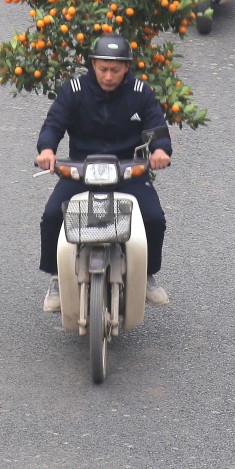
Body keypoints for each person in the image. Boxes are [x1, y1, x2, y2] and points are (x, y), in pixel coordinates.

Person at [35, 34, 172, 312]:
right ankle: (56, 277)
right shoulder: (73, 91)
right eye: (103, 69)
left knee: (154, 218)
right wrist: (47, 149)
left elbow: (156, 125)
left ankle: (147, 275)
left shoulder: (140, 92)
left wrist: (159, 150)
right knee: (52, 216)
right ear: (93, 64)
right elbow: (54, 123)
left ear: (126, 68)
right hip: (81, 169)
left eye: (115, 70)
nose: (108, 76)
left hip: (128, 170)